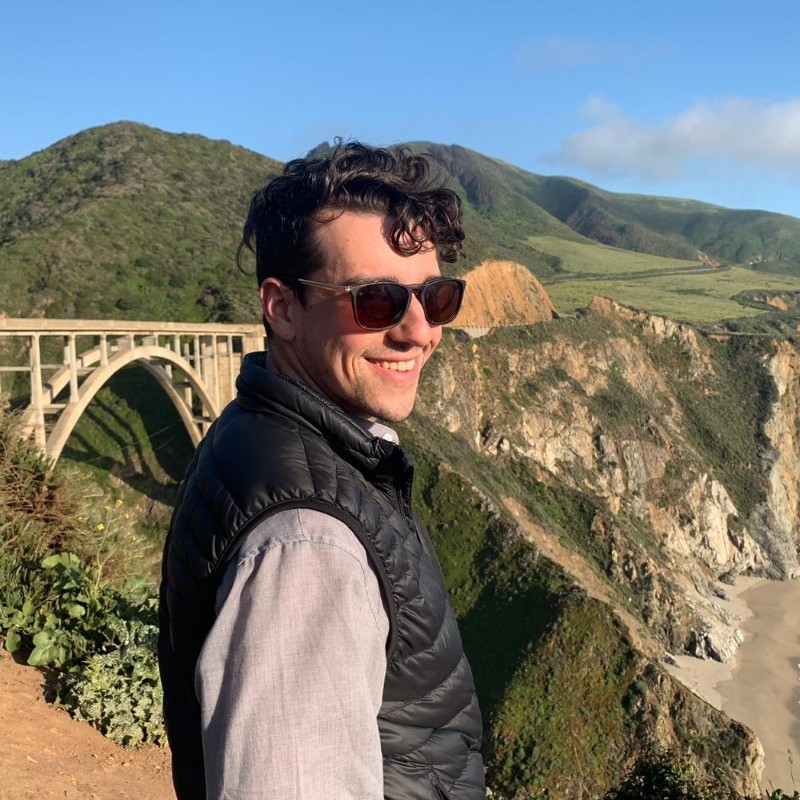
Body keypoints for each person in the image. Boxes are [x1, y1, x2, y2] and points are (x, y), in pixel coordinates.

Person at [158, 142, 486, 800]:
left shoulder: (257, 431)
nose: (419, 331)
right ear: (282, 308)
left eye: (437, 298)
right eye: (376, 301)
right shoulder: (308, 547)